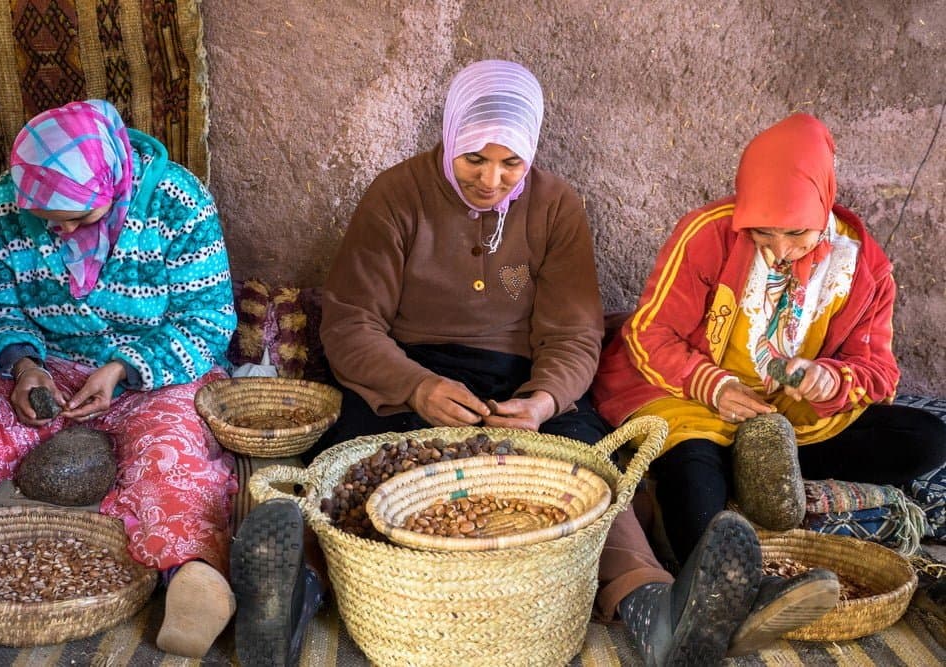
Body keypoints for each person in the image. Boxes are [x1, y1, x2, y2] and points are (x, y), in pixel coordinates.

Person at [231, 62, 834, 667]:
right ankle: (287, 598)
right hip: (405, 376)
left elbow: (573, 334)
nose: (491, 180)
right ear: (450, 137)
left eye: (510, 163)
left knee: (589, 473)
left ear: (531, 153)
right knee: (350, 471)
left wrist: (544, 401)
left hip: (519, 383)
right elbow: (351, 323)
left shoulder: (555, 207)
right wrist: (417, 388)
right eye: (474, 159)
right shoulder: (396, 196)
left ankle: (653, 609)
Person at [0, 100, 238, 658]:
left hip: (159, 372)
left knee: (174, 453)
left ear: (113, 179)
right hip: (48, 362)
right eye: (49, 219)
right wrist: (24, 367)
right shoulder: (5, 207)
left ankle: (191, 580)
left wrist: (122, 368)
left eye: (79, 216)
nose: (61, 229)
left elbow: (208, 320)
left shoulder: (176, 203)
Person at [593, 113, 946, 568]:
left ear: (823, 204)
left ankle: (755, 463)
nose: (779, 250)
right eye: (763, 232)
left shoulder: (862, 265)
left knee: (926, 440)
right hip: (691, 397)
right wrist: (714, 386)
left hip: (787, 416)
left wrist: (830, 379)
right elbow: (650, 333)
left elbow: (879, 372)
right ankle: (730, 507)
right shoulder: (708, 233)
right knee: (693, 484)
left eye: (796, 232)